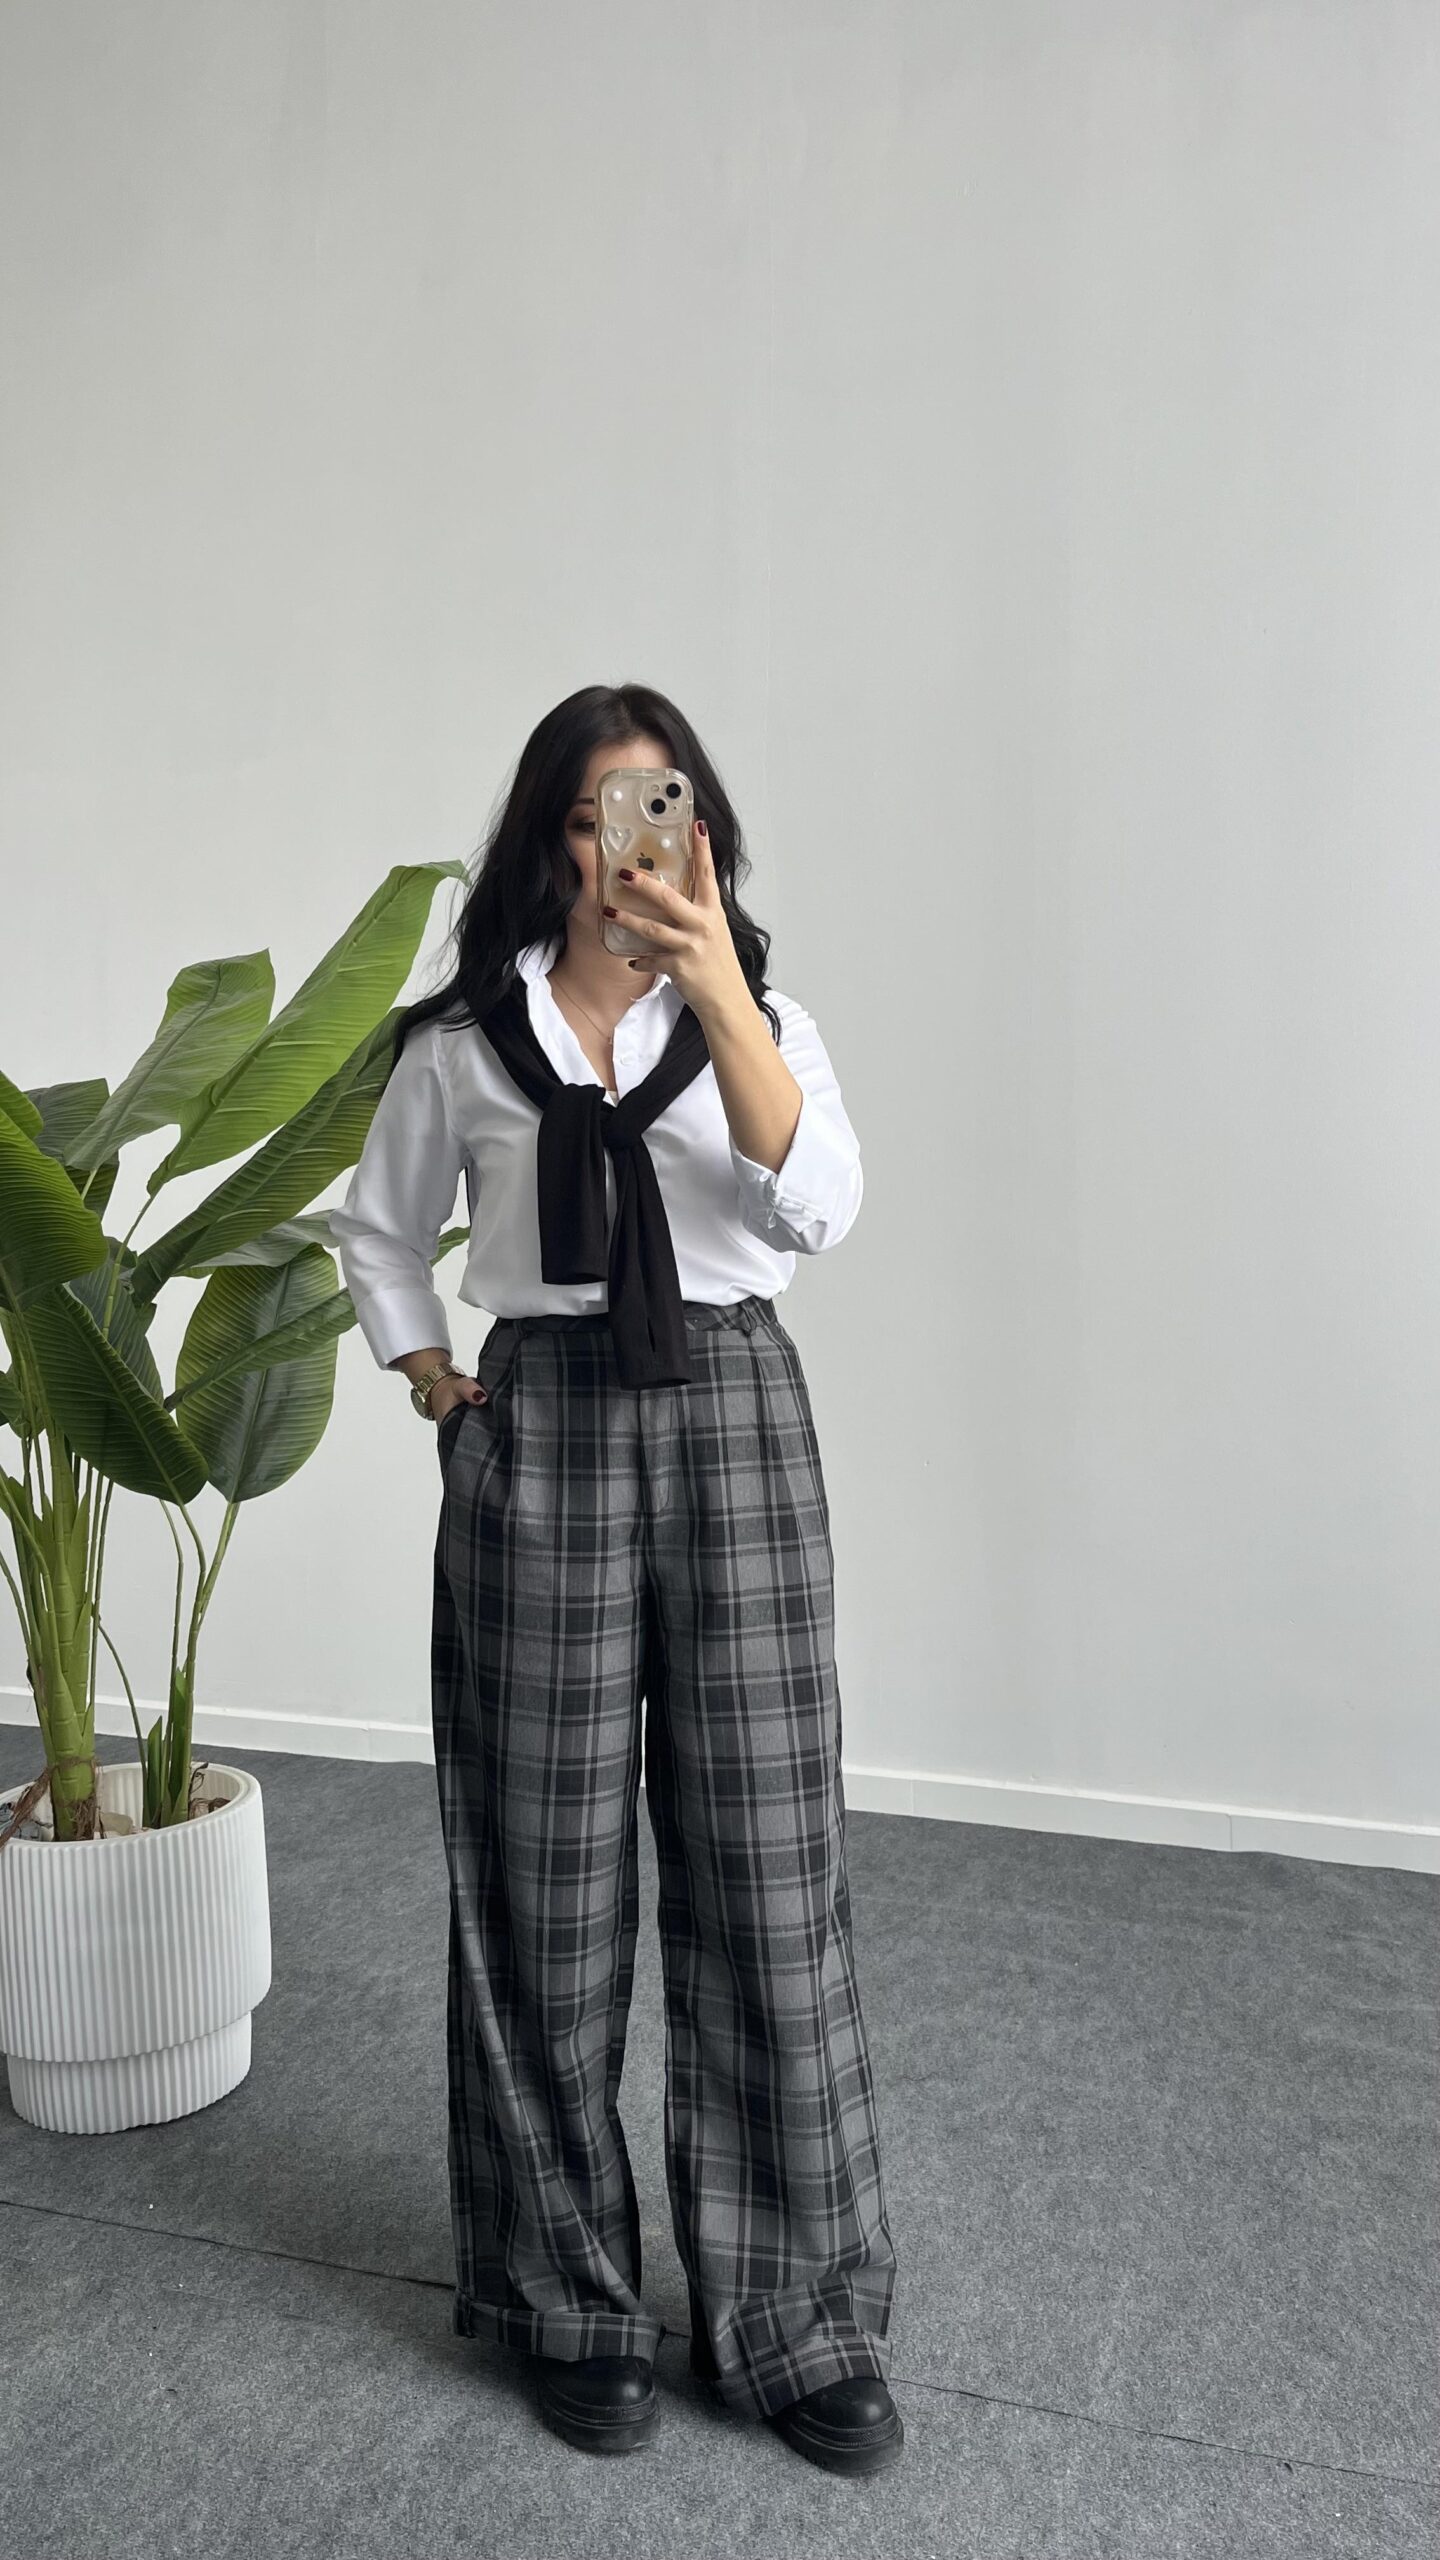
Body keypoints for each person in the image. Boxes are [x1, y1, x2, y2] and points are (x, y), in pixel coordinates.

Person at [330, 683, 902, 2478]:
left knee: (768, 1876)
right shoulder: (463, 1042)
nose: (616, 850)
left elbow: (820, 1206)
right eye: (586, 819)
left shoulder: (768, 1021)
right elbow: (378, 1225)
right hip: (546, 1427)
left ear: (698, 834)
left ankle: (794, 2317)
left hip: (733, 1416)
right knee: (544, 1883)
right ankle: (565, 2299)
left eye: (651, 813)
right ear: (545, 841)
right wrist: (428, 1367)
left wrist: (717, 986)